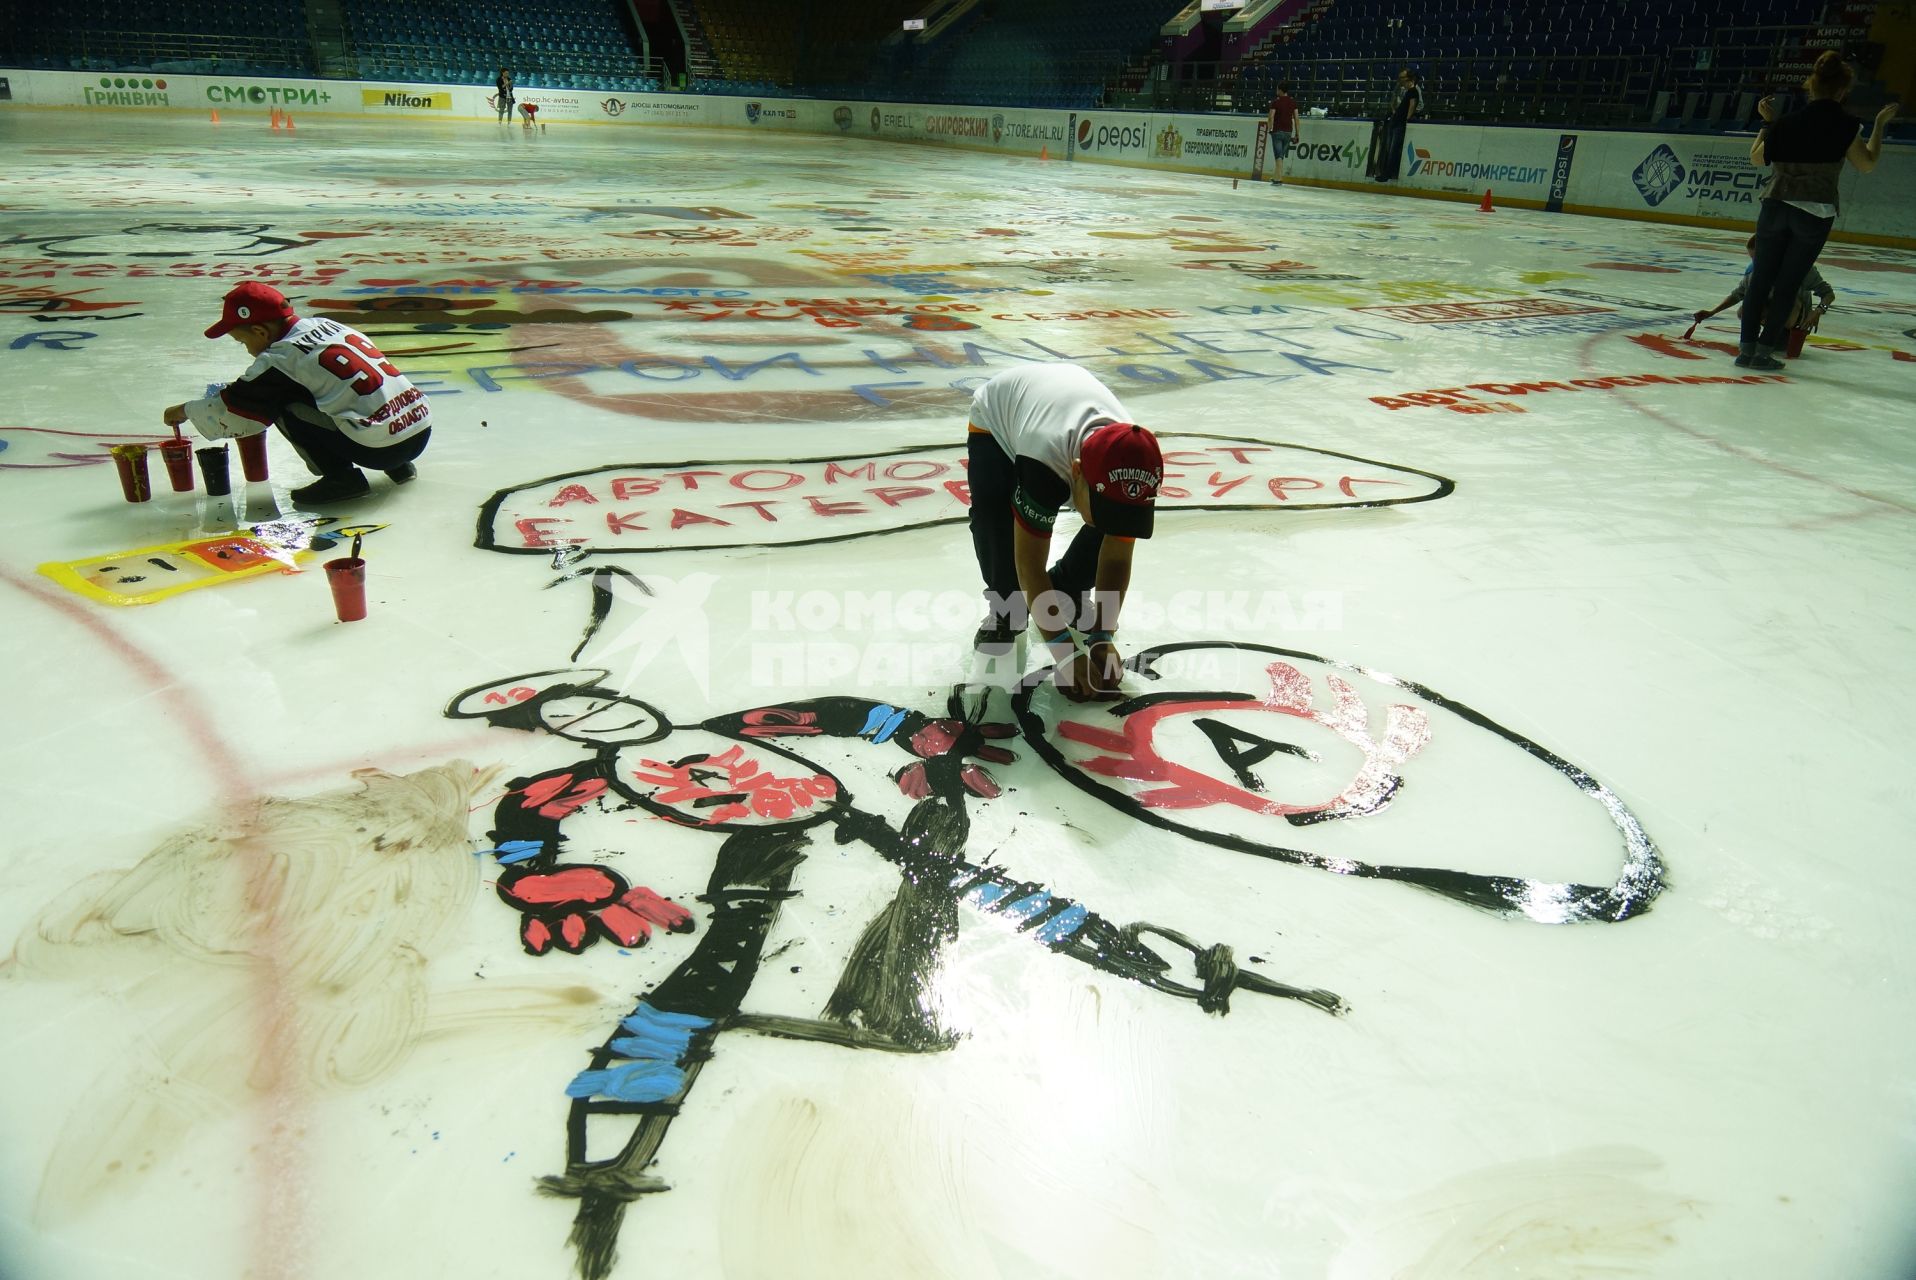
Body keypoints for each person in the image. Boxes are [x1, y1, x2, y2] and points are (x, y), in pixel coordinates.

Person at [965, 363, 1163, 701]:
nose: (1108, 525)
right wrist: (1066, 653)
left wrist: (1102, 635)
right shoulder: (1045, 463)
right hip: (998, 420)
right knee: (996, 522)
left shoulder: (1136, 467)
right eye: (1102, 509)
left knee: (1114, 523)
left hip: (1057, 408)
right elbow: (1030, 567)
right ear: (1076, 474)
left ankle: (1067, 587)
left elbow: (1116, 558)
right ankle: (1004, 609)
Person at [162, 282, 432, 505]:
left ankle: (341, 478)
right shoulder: (329, 325)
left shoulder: (279, 358)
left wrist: (183, 410)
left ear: (260, 331)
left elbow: (231, 410)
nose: (247, 350)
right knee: (332, 391)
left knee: (279, 402)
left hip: (379, 448)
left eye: (242, 341)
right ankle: (400, 467)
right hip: (419, 430)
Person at [1740, 51, 1898, 370]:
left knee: (1760, 280)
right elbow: (1866, 164)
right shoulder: (1846, 126)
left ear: (1811, 85)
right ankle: (1764, 353)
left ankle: (1745, 350)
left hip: (1776, 204)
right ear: (1843, 91)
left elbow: (1756, 158)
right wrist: (1879, 125)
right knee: (1788, 283)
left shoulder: (1786, 123)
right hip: (1815, 212)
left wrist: (1768, 124)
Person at [1695, 234, 1835, 357]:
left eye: (1759, 258)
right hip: (1772, 312)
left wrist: (1818, 311)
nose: (1757, 263)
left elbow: (1828, 293)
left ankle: (1778, 335)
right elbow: (1738, 294)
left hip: (1793, 318)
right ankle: (1763, 336)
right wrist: (1712, 312)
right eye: (1753, 259)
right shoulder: (1754, 271)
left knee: (1785, 304)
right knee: (1745, 310)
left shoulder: (1800, 268)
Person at [1374, 67, 1420, 182]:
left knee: (1393, 150)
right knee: (1390, 148)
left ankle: (1388, 173)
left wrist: (1406, 119)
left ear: (1409, 79)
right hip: (1395, 121)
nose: (1401, 81)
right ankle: (1386, 172)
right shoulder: (1407, 91)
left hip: (1400, 123)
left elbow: (1412, 106)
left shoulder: (1413, 91)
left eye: (1403, 78)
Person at [1267, 80, 1301, 186]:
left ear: (1281, 90)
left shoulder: (1276, 102)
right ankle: (1276, 176)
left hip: (1277, 131)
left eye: (1277, 89)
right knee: (1281, 155)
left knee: (1278, 156)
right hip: (1288, 132)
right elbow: (1296, 119)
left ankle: (1279, 179)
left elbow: (1271, 116)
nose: (1276, 90)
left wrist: (1270, 128)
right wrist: (1297, 134)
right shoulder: (1293, 102)